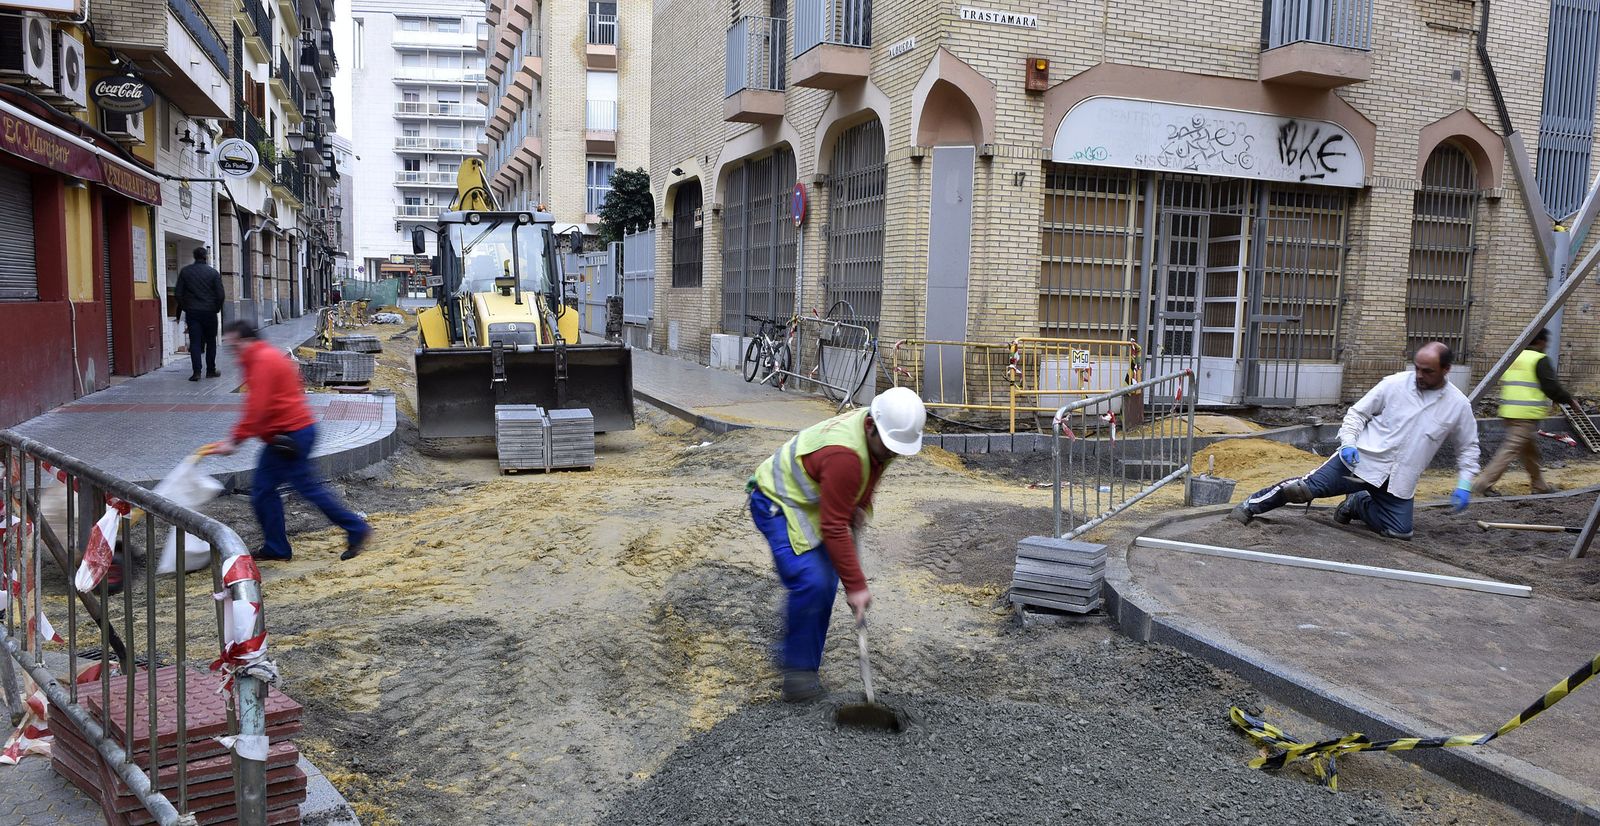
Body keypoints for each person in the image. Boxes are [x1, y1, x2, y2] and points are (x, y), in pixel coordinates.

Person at [748, 387, 927, 702]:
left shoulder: (879, 438)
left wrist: (859, 504)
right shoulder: (845, 454)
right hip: (776, 501)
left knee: (826, 579)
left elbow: (871, 471)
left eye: (897, 450)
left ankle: (802, 665)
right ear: (870, 426)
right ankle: (798, 675)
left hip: (813, 501)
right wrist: (856, 586)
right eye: (890, 448)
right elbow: (833, 526)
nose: (892, 455)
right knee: (813, 580)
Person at [1229, 342, 1480, 540]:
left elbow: (1468, 448)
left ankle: (1358, 504)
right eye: (1417, 368)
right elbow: (1358, 414)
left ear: (1446, 370)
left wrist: (1465, 483)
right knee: (1301, 490)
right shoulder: (1393, 385)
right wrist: (1348, 442)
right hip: (1360, 463)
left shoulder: (1458, 406)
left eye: (1428, 371)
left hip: (1400, 479)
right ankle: (1251, 505)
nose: (1419, 375)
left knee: (1400, 532)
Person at [207, 321, 371, 561]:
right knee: (272, 489)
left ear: (245, 340)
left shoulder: (261, 361)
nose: (231, 351)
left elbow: (258, 408)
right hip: (289, 434)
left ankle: (353, 529)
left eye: (233, 345)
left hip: (290, 436)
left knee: (286, 489)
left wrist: (234, 440)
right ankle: (281, 545)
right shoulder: (263, 357)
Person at [1474, 328, 1572, 496]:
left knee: (1530, 451)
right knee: (1510, 450)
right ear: (1541, 342)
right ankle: (1484, 484)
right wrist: (1569, 400)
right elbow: (1551, 387)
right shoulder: (1539, 359)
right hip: (1525, 414)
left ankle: (1539, 485)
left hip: (1509, 411)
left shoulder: (1515, 357)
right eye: (1546, 342)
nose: (1547, 345)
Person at [174, 247, 225, 381]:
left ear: (194, 257)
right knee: (211, 342)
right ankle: (210, 370)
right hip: (209, 312)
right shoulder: (213, 273)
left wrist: (186, 307)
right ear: (206, 257)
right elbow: (220, 295)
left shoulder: (185, 272)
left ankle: (196, 372)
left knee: (195, 342)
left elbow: (178, 294)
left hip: (193, 312)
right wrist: (216, 308)